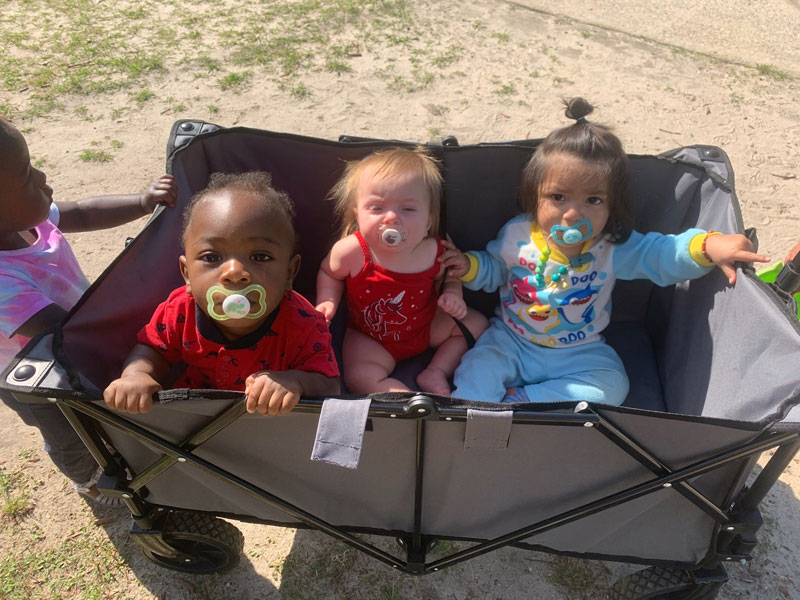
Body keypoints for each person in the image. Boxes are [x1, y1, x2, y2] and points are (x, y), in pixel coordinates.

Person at [440, 98, 769, 406]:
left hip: (578, 350)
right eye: (558, 197)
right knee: (475, 374)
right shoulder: (517, 233)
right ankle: (476, 417)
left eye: (593, 201)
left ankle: (523, 401)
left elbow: (663, 254)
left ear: (612, 208)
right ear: (534, 197)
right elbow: (495, 268)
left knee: (612, 386)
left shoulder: (612, 247)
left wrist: (708, 246)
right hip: (511, 341)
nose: (573, 214)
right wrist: (467, 266)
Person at [0, 116, 177, 505]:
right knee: (68, 431)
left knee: (95, 405)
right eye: (28, 176)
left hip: (70, 335)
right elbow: (58, 331)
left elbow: (83, 211)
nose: (44, 175)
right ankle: (88, 478)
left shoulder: (27, 220)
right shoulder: (2, 282)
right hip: (36, 375)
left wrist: (142, 202)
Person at [103, 171, 340, 416]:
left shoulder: (304, 323)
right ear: (186, 273)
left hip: (268, 424)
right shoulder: (179, 309)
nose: (235, 272)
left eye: (259, 257)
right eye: (212, 258)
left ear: (290, 272)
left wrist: (296, 382)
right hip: (194, 421)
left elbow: (330, 384)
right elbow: (153, 350)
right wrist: (137, 375)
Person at [315, 147, 488, 396]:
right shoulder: (351, 251)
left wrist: (453, 294)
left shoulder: (435, 249)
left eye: (407, 209)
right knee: (359, 376)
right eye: (376, 208)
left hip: (425, 327)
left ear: (428, 220)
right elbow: (329, 273)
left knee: (477, 325)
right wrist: (327, 300)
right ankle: (405, 399)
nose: (392, 218)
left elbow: (450, 275)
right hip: (372, 337)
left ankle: (435, 371)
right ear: (357, 214)